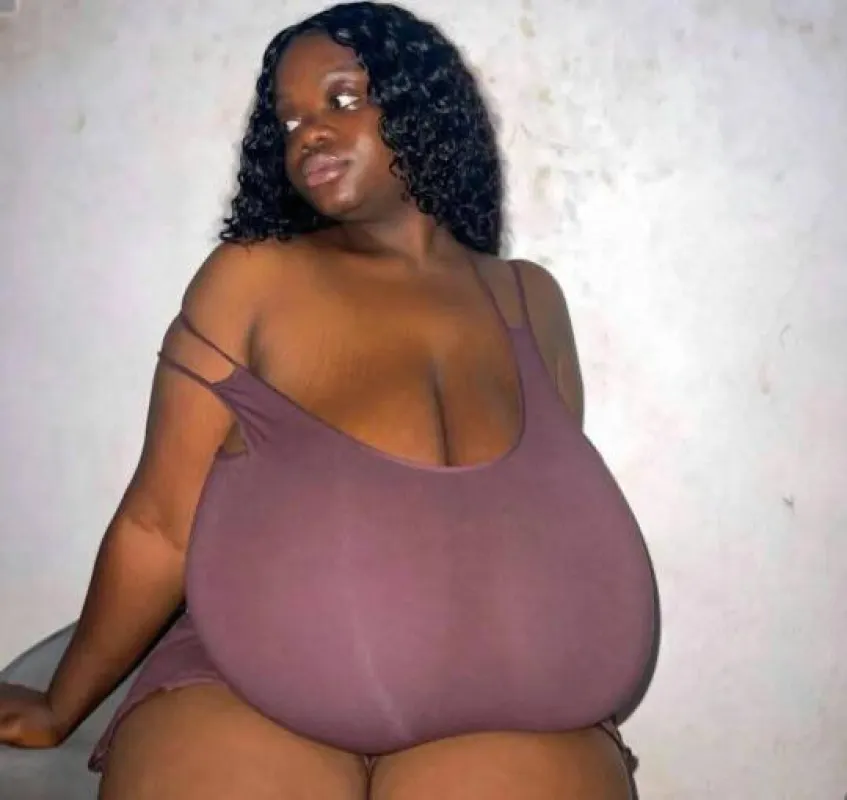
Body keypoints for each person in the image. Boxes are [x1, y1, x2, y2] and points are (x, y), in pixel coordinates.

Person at [0, 2, 656, 797]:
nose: (307, 133)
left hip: (506, 706)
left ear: (422, 107)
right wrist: (60, 706)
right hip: (243, 687)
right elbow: (158, 525)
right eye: (288, 120)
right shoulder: (253, 278)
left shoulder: (530, 299)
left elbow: (533, 524)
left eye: (342, 99)